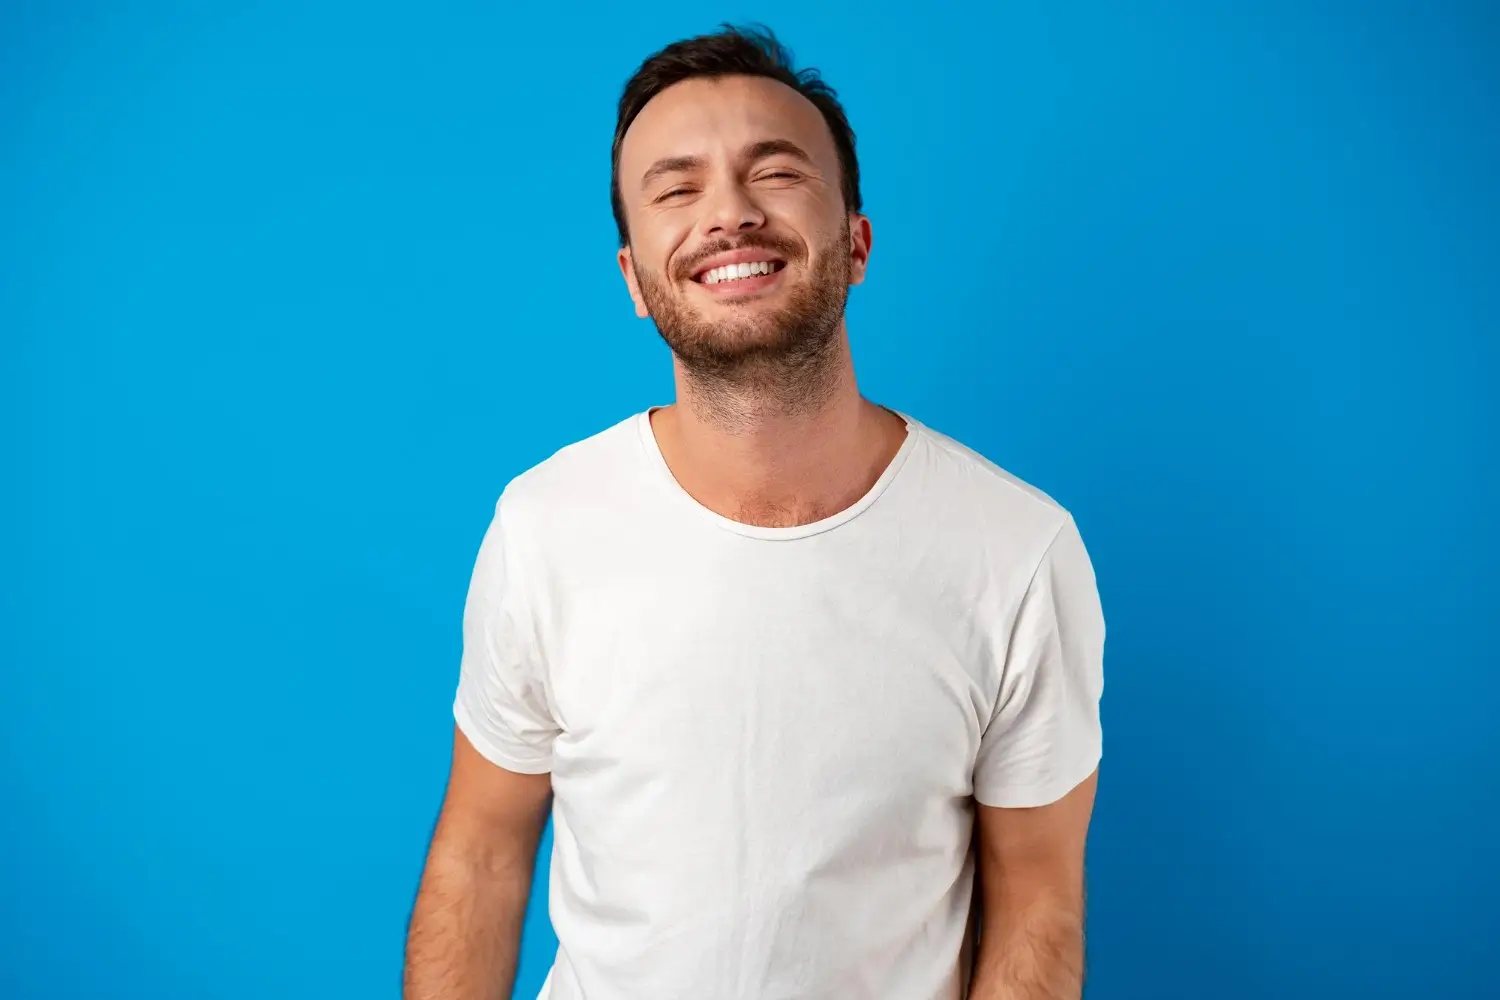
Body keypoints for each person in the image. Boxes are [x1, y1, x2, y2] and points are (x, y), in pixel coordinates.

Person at [404, 24, 1105, 1000]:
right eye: (677, 188)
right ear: (634, 281)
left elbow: (1037, 901)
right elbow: (479, 856)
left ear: (856, 243)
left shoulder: (1018, 551)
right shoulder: (544, 525)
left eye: (774, 172)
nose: (728, 215)